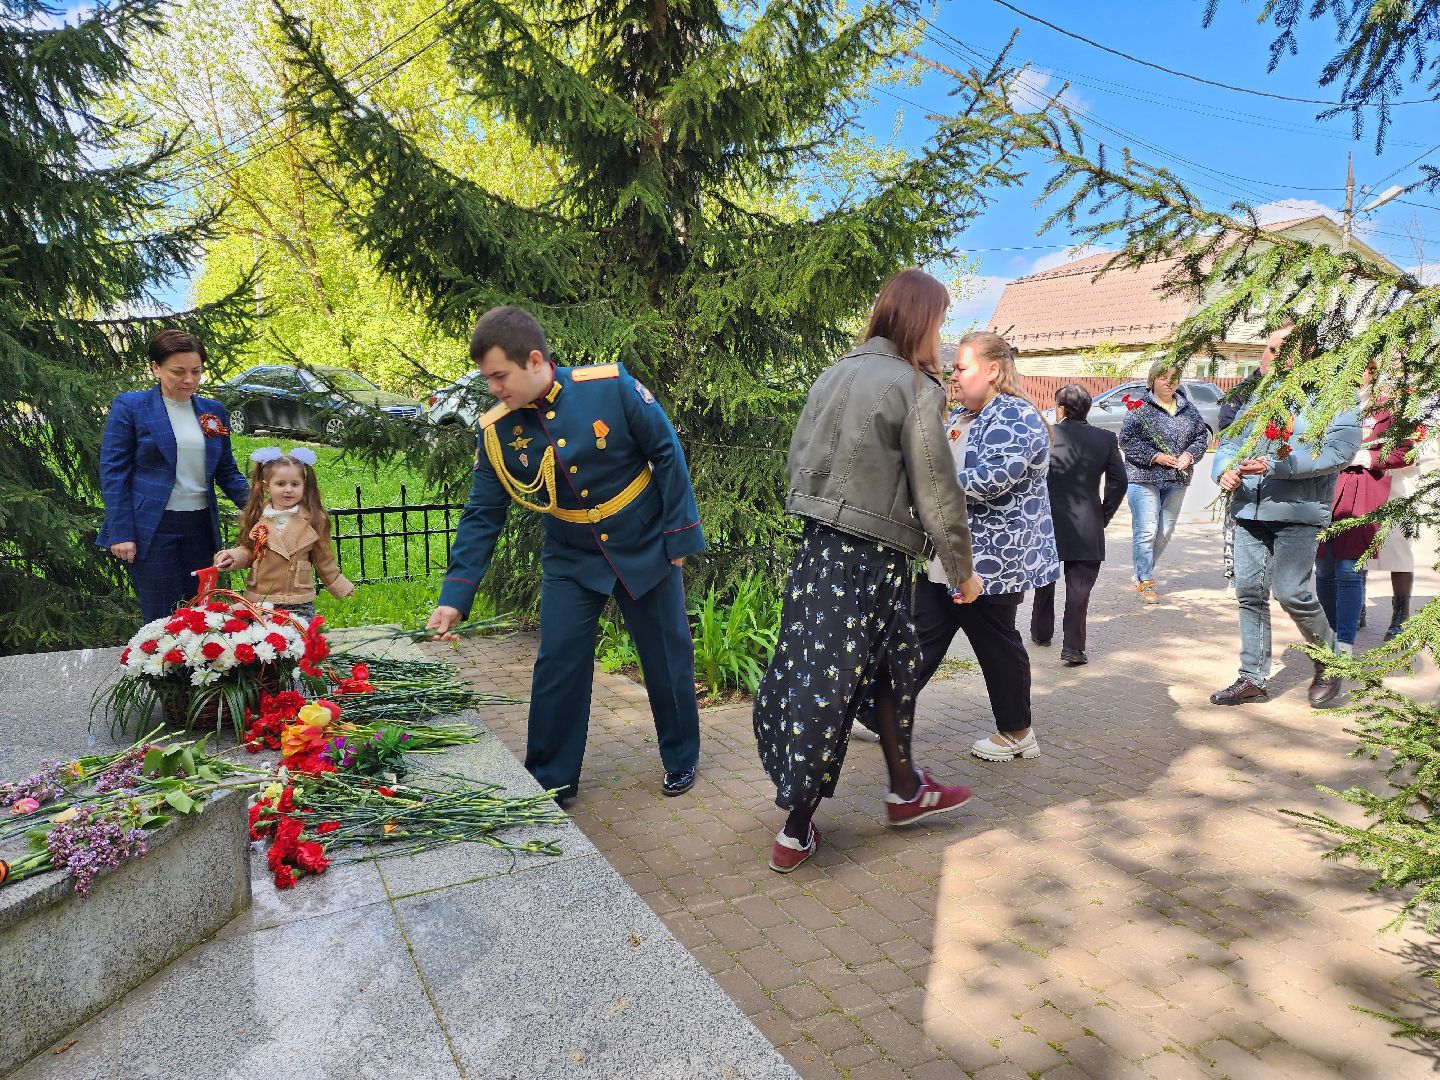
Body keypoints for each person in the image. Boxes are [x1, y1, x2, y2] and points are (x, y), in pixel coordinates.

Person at [426, 306, 705, 804]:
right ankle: (551, 778)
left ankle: (681, 757)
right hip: (571, 555)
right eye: (487, 378)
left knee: (666, 655)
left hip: (643, 541)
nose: (493, 388)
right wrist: (455, 594)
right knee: (558, 663)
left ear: (534, 361)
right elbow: (482, 514)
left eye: (499, 376)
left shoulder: (611, 386)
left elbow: (666, 452)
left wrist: (679, 537)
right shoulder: (496, 431)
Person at [753, 268, 982, 874]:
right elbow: (937, 488)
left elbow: (798, 462)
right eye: (939, 322)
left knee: (879, 667)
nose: (942, 337)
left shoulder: (834, 373)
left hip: (818, 550)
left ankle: (906, 790)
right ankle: (795, 828)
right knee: (828, 685)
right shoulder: (913, 387)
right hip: (872, 557)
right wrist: (961, 569)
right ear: (919, 321)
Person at [910, 331, 1058, 762]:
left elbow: (991, 479)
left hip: (992, 564)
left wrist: (925, 489)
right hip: (950, 555)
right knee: (921, 634)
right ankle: (879, 711)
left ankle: (1017, 732)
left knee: (995, 643)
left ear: (992, 370)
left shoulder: (1015, 417)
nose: (953, 376)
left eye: (961, 367)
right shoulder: (963, 416)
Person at [1209, 323, 1361, 708]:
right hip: (1248, 507)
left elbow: (1338, 452)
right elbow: (1231, 440)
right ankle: (1252, 678)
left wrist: (1279, 465)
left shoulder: (1334, 398)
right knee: (1249, 593)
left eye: (1280, 350)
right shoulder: (1258, 398)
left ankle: (1329, 660)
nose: (1270, 356)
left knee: (1292, 592)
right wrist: (1222, 470)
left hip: (1298, 511)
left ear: (1308, 357)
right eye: (1269, 348)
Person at [98, 329, 250, 622]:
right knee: (162, 616)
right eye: (178, 371)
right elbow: (114, 471)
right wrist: (122, 532)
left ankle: (202, 667)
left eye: (196, 371)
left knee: (203, 610)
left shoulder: (213, 411)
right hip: (153, 528)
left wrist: (264, 508)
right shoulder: (131, 407)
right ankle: (163, 668)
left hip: (200, 526)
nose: (189, 380)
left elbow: (227, 471)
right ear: (156, 368)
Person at [1030, 384, 1128, 665]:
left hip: (1046, 521)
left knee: (1045, 581)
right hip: (1087, 523)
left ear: (1060, 409)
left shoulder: (1044, 435)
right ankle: (1073, 647)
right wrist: (1104, 514)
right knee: (1079, 589)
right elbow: (1119, 482)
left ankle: (1041, 632)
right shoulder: (1106, 439)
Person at [213, 447, 354, 620]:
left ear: (304, 485)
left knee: (297, 639)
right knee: (265, 640)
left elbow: (323, 558)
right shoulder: (259, 516)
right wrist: (233, 556)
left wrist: (338, 584)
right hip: (261, 595)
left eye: (295, 484)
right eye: (280, 484)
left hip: (297, 597)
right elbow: (250, 550)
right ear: (267, 486)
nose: (288, 489)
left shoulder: (312, 520)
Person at [1118, 361, 1211, 604]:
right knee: (1147, 530)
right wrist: (1155, 456)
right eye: (1163, 377)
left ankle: (1142, 569)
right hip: (1144, 478)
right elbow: (1127, 440)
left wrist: (1189, 455)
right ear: (1152, 380)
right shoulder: (1139, 409)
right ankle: (1145, 578)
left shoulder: (1188, 408)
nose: (1169, 382)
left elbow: (1202, 436)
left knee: (1164, 531)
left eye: (1174, 378)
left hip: (1177, 479)